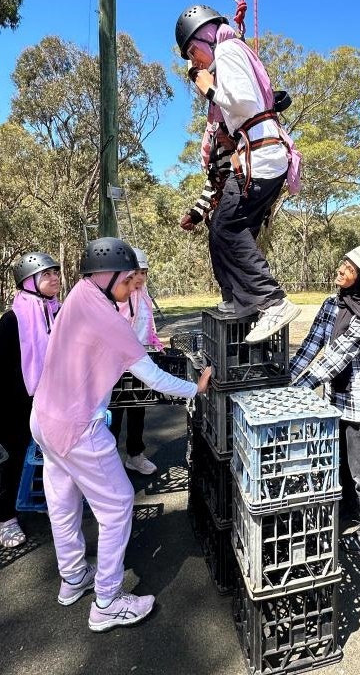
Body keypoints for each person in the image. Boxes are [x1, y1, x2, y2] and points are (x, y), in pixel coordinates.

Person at [29, 238, 211, 631]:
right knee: (117, 504)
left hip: (43, 418)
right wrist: (196, 388)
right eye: (130, 281)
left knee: (63, 502)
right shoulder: (108, 318)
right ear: (108, 276)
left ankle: (74, 577)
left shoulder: (79, 294)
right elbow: (154, 377)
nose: (135, 288)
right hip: (78, 426)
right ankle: (108, 600)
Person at [175, 4, 301, 343]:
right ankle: (240, 301)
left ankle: (272, 301)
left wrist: (210, 88)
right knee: (223, 229)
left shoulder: (228, 49)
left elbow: (243, 102)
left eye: (192, 51)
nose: (194, 61)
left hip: (260, 156)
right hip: (264, 156)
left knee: (228, 226)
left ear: (205, 36)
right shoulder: (232, 50)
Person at [289, 245, 360, 553]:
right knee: (337, 455)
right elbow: (312, 344)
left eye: (350, 267)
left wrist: (298, 388)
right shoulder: (332, 303)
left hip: (356, 400)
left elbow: (334, 359)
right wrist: (286, 376)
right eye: (344, 263)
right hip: (334, 395)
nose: (341, 269)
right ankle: (348, 505)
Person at [0, 252, 61, 549]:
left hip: (53, 398)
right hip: (16, 402)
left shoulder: (58, 312)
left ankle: (50, 499)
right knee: (13, 460)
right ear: (29, 282)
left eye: (56, 273)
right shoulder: (12, 320)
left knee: (53, 454)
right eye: (46, 274)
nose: (54, 278)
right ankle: (5, 517)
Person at [111, 247, 163, 475]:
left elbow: (146, 326)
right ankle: (108, 458)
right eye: (136, 272)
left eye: (144, 272)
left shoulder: (144, 296)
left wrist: (156, 345)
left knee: (137, 410)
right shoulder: (119, 296)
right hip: (115, 365)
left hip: (140, 360)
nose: (141, 277)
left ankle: (135, 455)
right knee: (113, 412)